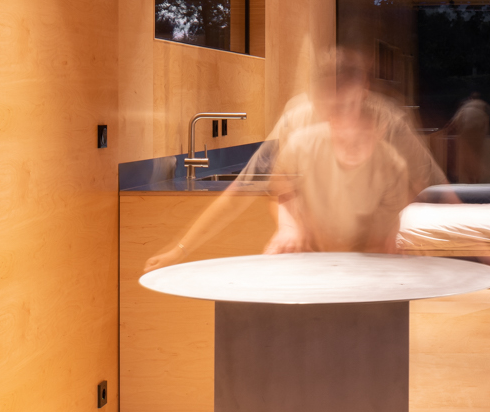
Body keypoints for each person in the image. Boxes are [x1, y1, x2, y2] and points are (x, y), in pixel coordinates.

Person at [143, 45, 444, 271]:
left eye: (346, 106)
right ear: (315, 95)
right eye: (328, 105)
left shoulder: (389, 126)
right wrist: (180, 249)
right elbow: (248, 191)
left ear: (363, 93)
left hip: (374, 261)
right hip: (314, 259)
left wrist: (393, 235)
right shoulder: (297, 127)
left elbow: (427, 185)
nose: (338, 119)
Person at [441, 91, 490, 183]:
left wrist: (444, 132)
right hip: (477, 129)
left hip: (469, 129)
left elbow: (452, 123)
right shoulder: (481, 105)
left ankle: (472, 178)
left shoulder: (466, 106)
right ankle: (474, 178)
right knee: (475, 155)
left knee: (468, 155)